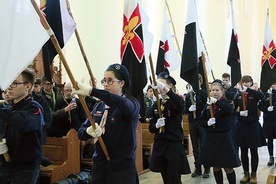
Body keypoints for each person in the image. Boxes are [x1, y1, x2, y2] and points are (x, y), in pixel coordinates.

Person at [75, 63, 140, 184]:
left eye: (110, 81)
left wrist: (91, 91)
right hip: (100, 167)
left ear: (122, 83)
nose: (105, 84)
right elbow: (80, 133)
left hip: (121, 170)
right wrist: (88, 131)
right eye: (104, 81)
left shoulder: (131, 104)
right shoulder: (99, 106)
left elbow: (121, 103)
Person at [0, 69, 44, 184]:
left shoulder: (34, 108)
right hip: (5, 165)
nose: (9, 87)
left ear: (28, 86)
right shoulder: (9, 108)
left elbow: (24, 123)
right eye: (9, 83)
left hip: (25, 168)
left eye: (14, 83)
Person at [148, 71, 190, 184]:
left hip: (173, 145)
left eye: (162, 85)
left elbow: (180, 105)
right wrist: (156, 125)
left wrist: (166, 90)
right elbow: (151, 127)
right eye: (158, 85)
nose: (159, 88)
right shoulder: (156, 104)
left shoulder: (175, 101)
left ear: (170, 86)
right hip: (160, 143)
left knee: (174, 178)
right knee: (165, 177)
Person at [198, 79, 241, 184]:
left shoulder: (226, 102)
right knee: (216, 166)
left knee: (227, 167)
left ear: (222, 91)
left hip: (223, 138)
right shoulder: (208, 105)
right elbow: (201, 120)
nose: (214, 92)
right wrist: (207, 123)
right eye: (212, 90)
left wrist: (217, 102)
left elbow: (229, 110)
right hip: (211, 137)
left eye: (217, 90)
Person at [233, 75, 266, 183]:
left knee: (253, 150)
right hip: (242, 125)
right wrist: (239, 113)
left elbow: (261, 96)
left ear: (251, 83)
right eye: (244, 82)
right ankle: (246, 173)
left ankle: (254, 174)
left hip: (252, 125)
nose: (246, 83)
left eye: (248, 82)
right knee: (243, 150)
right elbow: (231, 110)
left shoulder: (254, 94)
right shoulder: (238, 96)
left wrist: (249, 90)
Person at [184, 74, 210, 178]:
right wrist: (189, 109)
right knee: (195, 146)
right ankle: (197, 167)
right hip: (192, 122)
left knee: (203, 145)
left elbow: (208, 106)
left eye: (196, 81)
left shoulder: (203, 93)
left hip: (201, 122)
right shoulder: (188, 96)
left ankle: (207, 168)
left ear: (200, 82)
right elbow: (184, 110)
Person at [258, 83, 276, 166]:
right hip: (268, 120)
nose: (272, 86)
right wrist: (266, 109)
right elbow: (260, 106)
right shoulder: (265, 94)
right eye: (271, 84)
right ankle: (271, 157)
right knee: (269, 139)